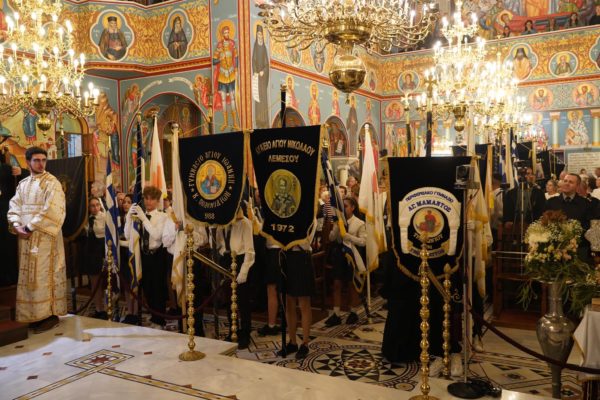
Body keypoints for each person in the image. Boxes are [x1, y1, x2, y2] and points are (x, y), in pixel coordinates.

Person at [7, 147, 66, 333]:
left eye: (43, 160)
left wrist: (29, 227)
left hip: (45, 239)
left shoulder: (52, 183)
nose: (41, 164)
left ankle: (48, 314)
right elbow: (14, 205)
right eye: (36, 160)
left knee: (43, 275)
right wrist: (16, 224)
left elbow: (53, 210)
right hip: (25, 239)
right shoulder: (23, 184)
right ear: (28, 162)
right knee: (28, 277)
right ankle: (33, 314)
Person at [125, 185, 169, 329]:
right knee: (147, 288)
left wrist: (144, 218)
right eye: (146, 198)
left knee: (158, 289)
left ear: (157, 201)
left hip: (157, 256)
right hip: (143, 256)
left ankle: (159, 320)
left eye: (152, 199)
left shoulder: (162, 216)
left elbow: (156, 235)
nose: (148, 202)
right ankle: (153, 316)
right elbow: (128, 235)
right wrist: (128, 218)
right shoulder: (139, 215)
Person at [216, 206, 255, 349]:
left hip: (240, 260)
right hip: (226, 259)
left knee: (243, 300)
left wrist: (244, 271)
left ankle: (245, 332)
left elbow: (250, 251)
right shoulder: (222, 223)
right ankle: (233, 329)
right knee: (228, 299)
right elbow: (219, 243)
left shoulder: (245, 223)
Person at [325, 197, 366, 327]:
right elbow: (331, 238)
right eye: (342, 206)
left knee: (351, 284)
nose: (343, 209)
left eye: (346, 206)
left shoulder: (359, 223)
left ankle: (353, 312)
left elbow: (363, 242)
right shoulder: (339, 221)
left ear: (353, 207)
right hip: (339, 255)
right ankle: (336, 314)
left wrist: (349, 237)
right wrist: (336, 228)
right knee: (337, 284)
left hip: (352, 256)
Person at [545, 173, 593, 261]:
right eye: (565, 181)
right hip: (555, 248)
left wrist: (573, 239)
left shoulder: (585, 204)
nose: (567, 183)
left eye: (571, 182)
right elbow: (545, 223)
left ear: (577, 186)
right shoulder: (551, 203)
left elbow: (588, 227)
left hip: (578, 248)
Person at [85, 197, 108, 320]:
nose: (95, 208)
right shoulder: (87, 219)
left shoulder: (104, 217)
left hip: (101, 252)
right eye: (92, 206)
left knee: (102, 283)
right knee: (94, 283)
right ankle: (98, 308)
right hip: (90, 253)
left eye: (97, 205)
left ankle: (104, 308)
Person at [213, 25, 239, 131]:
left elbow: (236, 57)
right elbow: (213, 61)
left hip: (231, 74)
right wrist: (220, 59)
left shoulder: (232, 44)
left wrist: (236, 69)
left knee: (232, 98)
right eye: (225, 33)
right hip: (222, 75)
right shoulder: (219, 46)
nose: (227, 34)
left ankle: (235, 122)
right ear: (222, 34)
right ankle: (225, 122)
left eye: (228, 32)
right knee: (223, 99)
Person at [252, 25, 270, 129]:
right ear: (256, 35)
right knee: (257, 98)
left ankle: (265, 121)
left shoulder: (264, 48)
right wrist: (255, 71)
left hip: (263, 78)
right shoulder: (255, 47)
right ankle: (258, 120)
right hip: (257, 78)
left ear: (263, 35)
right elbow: (253, 60)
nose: (260, 36)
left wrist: (263, 71)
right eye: (258, 34)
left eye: (261, 34)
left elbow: (267, 64)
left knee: (263, 98)